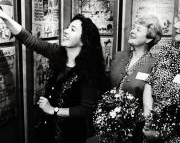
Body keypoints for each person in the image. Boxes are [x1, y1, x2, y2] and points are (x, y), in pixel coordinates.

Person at [0, 11, 110, 143]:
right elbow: (28, 39)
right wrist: (4, 17)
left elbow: (85, 109)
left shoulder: (89, 70)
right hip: (46, 128)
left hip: (70, 133)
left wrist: (53, 110)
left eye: (72, 29)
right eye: (68, 27)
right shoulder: (58, 53)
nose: (65, 31)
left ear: (83, 41)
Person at [110, 15, 162, 143]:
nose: (132, 31)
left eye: (138, 30)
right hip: (110, 123)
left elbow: (154, 102)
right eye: (133, 28)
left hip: (136, 130)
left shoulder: (154, 64)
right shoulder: (119, 56)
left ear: (149, 39)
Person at [143, 16, 180, 143]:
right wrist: (149, 120)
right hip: (151, 132)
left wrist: (163, 130)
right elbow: (150, 82)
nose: (176, 25)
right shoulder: (167, 51)